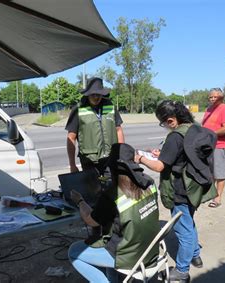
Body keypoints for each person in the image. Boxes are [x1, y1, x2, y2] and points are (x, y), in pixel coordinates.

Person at [135, 100, 215, 282]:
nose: (164, 126)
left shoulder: (175, 136)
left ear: (171, 120)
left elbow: (159, 167)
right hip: (194, 187)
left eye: (163, 123)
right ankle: (195, 255)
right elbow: (183, 154)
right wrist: (161, 154)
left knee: (183, 231)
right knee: (189, 223)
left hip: (180, 190)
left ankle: (182, 270)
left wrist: (141, 159)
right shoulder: (194, 128)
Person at [68, 143, 159, 283]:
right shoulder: (149, 182)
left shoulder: (113, 195)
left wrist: (80, 201)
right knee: (111, 235)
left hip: (127, 255)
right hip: (149, 247)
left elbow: (90, 220)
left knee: (74, 252)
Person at [66, 77, 124, 174]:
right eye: (93, 94)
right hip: (89, 162)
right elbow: (71, 138)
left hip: (111, 160)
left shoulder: (110, 107)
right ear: (87, 94)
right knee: (92, 188)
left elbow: (118, 130)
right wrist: (72, 165)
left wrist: (122, 155)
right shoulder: (78, 110)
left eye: (99, 94)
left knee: (112, 188)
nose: (96, 97)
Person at [202, 88, 225, 208]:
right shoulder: (209, 109)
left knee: (219, 173)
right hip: (208, 145)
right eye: (211, 97)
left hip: (220, 145)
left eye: (215, 97)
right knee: (209, 173)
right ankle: (209, 194)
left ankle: (218, 198)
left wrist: (211, 134)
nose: (212, 99)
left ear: (221, 97)